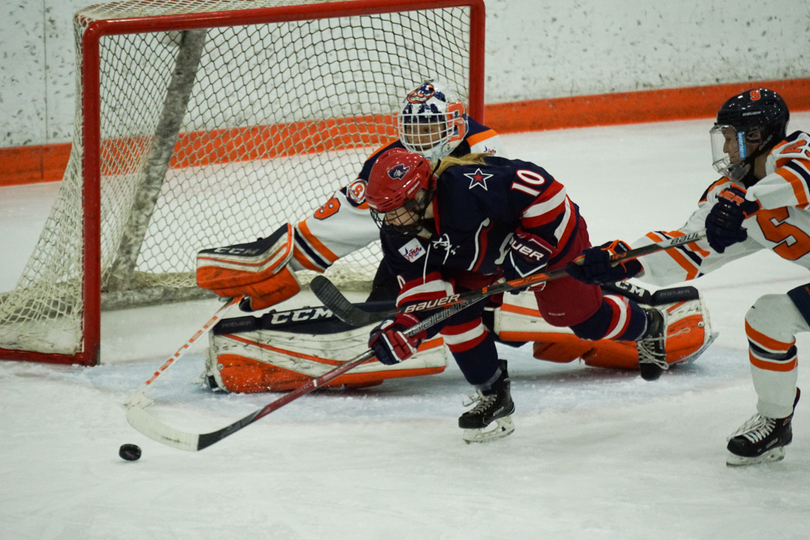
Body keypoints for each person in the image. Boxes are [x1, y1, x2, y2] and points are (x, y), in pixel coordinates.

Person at [363, 147, 669, 443]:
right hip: (486, 262)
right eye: (382, 212)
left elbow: (548, 193)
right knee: (451, 313)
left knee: (584, 322)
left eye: (394, 209)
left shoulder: (467, 187)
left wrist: (531, 246)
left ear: (420, 196)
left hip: (550, 241)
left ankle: (649, 323)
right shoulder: (396, 235)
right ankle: (494, 393)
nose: (388, 221)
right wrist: (407, 329)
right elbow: (427, 296)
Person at [568, 88, 805, 466]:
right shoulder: (729, 195)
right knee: (768, 318)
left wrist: (750, 201)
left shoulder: (797, 154)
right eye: (722, 138)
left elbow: (800, 179)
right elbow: (689, 249)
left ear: (758, 137)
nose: (725, 149)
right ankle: (776, 421)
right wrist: (624, 261)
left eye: (731, 138)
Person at [196, 79, 507, 310]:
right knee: (400, 249)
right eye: (411, 129)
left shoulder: (483, 148)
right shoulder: (390, 162)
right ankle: (388, 315)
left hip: (487, 252)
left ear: (453, 128)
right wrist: (286, 262)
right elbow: (350, 215)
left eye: (427, 129)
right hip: (424, 251)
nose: (417, 139)